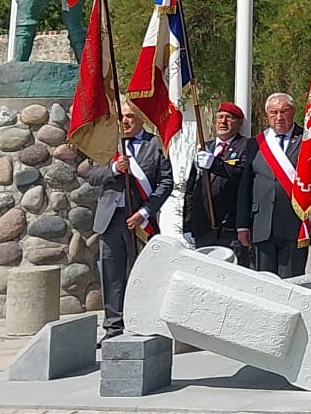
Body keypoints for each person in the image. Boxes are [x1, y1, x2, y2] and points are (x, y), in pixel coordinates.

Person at [87, 105, 172, 340]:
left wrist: (145, 212)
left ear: (141, 119)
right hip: (110, 219)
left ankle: (141, 323)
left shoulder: (156, 145)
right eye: (122, 117)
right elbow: (92, 175)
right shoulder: (109, 144)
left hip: (140, 221)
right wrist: (114, 168)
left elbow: (166, 183)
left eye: (130, 117)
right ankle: (113, 327)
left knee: (141, 275)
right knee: (111, 274)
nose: (125, 121)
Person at [241, 92, 311, 278]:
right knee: (263, 284)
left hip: (294, 223)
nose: (279, 117)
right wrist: (242, 225)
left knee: (292, 282)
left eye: (284, 111)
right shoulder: (255, 143)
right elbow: (245, 186)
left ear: (293, 112)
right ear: (267, 115)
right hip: (261, 223)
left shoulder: (307, 140)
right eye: (273, 112)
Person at [183, 102, 255, 258]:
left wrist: (215, 164)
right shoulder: (205, 147)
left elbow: (241, 175)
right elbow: (191, 189)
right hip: (203, 228)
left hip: (230, 228)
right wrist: (187, 224)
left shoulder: (246, 145)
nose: (223, 122)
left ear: (239, 122)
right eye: (220, 117)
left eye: (229, 118)